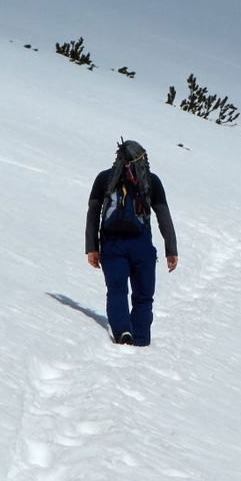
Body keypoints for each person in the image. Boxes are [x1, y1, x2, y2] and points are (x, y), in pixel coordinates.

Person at [85, 139, 178, 346]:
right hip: (142, 246)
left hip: (112, 244)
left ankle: (122, 332)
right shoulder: (151, 181)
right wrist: (171, 250)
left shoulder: (104, 178)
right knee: (143, 296)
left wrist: (91, 247)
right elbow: (163, 215)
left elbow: (93, 212)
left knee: (117, 290)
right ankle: (142, 341)